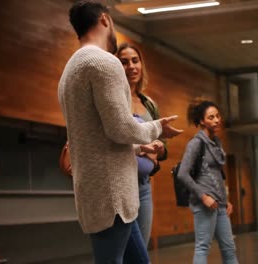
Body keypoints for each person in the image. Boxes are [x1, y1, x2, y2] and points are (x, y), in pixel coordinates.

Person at [58, 1, 182, 263]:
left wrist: (140, 148)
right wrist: (159, 128)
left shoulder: (69, 70)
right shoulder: (104, 63)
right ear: (105, 20)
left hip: (102, 196)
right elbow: (120, 128)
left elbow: (96, 134)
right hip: (112, 197)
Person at [116, 43, 167, 246]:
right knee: (122, 248)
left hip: (144, 185)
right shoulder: (114, 99)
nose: (131, 67)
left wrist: (158, 154)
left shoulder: (149, 104)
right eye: (124, 62)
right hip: (120, 184)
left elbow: (161, 143)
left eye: (135, 61)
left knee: (141, 249)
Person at [177, 99, 239, 264]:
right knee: (203, 247)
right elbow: (182, 174)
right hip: (204, 203)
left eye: (218, 116)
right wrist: (203, 196)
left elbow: (217, 174)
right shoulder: (196, 143)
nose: (217, 120)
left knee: (229, 248)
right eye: (211, 117)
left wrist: (226, 200)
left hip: (219, 204)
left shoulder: (216, 142)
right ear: (202, 121)